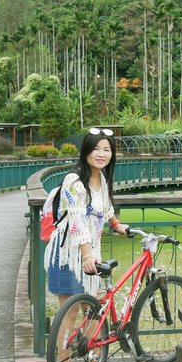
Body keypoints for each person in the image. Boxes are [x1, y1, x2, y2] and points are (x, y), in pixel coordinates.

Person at [44, 127, 129, 308]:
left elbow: (105, 206)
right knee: (70, 313)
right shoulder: (74, 181)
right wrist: (87, 256)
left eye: (106, 150)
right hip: (67, 253)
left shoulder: (101, 178)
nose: (101, 154)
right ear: (85, 151)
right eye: (96, 149)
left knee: (92, 311)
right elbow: (77, 220)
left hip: (89, 253)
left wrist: (115, 224)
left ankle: (91, 338)